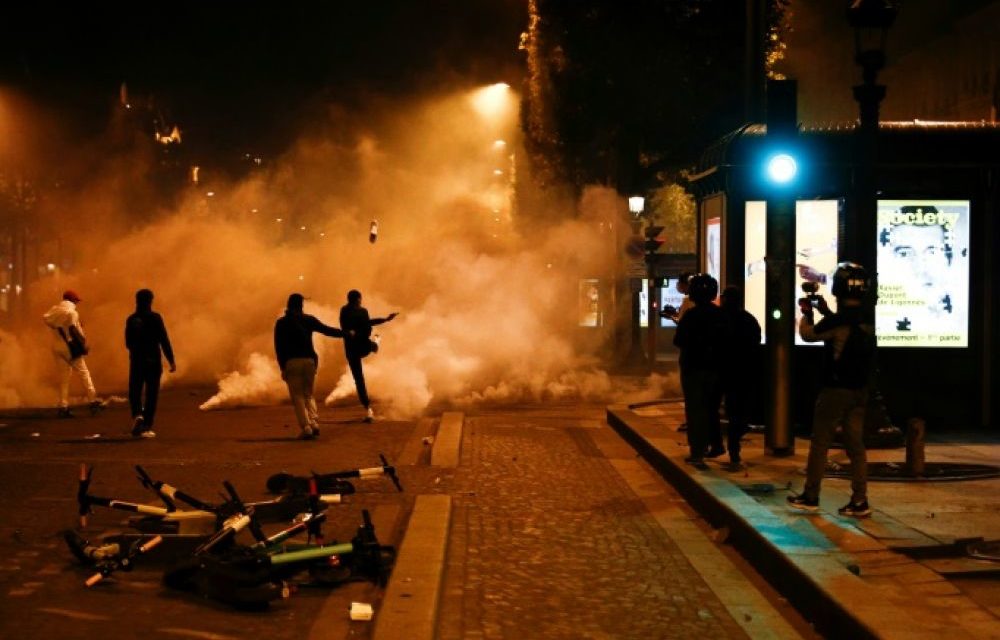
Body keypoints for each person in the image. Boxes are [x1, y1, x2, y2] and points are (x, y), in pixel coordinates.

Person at [788, 262, 876, 518]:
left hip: (835, 390)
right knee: (856, 446)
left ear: (838, 288)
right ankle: (860, 500)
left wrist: (807, 313)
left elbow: (807, 334)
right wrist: (826, 311)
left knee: (820, 443)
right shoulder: (867, 318)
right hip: (860, 390)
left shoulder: (838, 321)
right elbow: (844, 332)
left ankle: (811, 495)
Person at [672, 273, 726, 468]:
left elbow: (678, 341)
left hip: (693, 368)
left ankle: (697, 451)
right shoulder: (721, 315)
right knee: (712, 408)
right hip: (716, 369)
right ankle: (717, 444)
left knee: (695, 409)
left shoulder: (691, 316)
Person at [273, 293, 344, 439]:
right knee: (308, 394)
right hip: (309, 361)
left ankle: (306, 427)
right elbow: (328, 330)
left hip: (292, 362)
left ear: (288, 305)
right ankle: (314, 422)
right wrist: (347, 333)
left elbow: (279, 347)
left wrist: (283, 367)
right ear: (301, 306)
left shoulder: (281, 323)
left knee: (297, 396)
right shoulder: (308, 320)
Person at [718, 285, 762, 470]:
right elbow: (756, 342)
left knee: (730, 410)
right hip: (744, 371)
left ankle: (727, 447)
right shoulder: (748, 319)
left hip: (725, 370)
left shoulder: (720, 319)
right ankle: (733, 448)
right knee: (740, 413)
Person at [339, 289, 398, 422]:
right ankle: (367, 408)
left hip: (353, 348)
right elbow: (368, 323)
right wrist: (386, 319)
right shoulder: (361, 311)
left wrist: (385, 319)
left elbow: (350, 326)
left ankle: (367, 408)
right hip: (361, 346)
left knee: (359, 379)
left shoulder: (346, 310)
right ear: (358, 299)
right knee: (360, 377)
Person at [43, 290, 102, 418]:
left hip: (56, 347)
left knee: (64, 378)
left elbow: (48, 320)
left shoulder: (53, 311)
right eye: (76, 300)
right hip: (70, 348)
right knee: (84, 374)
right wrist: (84, 344)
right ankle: (93, 401)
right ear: (72, 301)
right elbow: (76, 332)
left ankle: (63, 407)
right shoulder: (72, 313)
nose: (77, 302)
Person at [125, 289, 176, 438]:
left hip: (137, 361)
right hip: (153, 361)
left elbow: (127, 343)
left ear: (136, 300)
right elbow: (164, 340)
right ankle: (147, 426)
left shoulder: (131, 319)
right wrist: (171, 360)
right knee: (151, 394)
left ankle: (137, 414)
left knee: (134, 390)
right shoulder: (156, 318)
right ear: (151, 301)